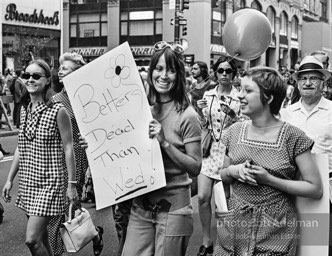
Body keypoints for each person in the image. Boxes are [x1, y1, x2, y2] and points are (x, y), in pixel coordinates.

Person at [216, 66, 322, 255]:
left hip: (275, 229)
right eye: (240, 88)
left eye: (247, 91)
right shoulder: (233, 131)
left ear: (269, 98)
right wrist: (233, 171)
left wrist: (269, 179)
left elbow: (314, 188)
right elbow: (223, 175)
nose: (240, 95)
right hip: (235, 224)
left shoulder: (293, 136)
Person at [121, 41, 202, 256]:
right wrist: (94, 147)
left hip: (174, 210)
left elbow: (195, 167)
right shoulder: (142, 111)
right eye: (159, 68)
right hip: (141, 206)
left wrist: (165, 143)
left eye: (171, 70)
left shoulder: (188, 115)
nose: (164, 75)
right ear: (151, 72)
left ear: (179, 76)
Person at [1, 59, 78, 256]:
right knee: (43, 238)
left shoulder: (58, 110)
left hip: (50, 182)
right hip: (29, 181)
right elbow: (21, 147)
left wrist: (72, 184)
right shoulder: (26, 109)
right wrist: (10, 179)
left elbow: (69, 148)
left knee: (32, 240)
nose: (30, 79)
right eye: (27, 75)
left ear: (47, 81)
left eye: (36, 76)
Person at [50, 52, 104, 256]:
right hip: (57, 159)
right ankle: (91, 236)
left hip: (79, 158)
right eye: (60, 67)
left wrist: (89, 140)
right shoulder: (55, 99)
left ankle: (93, 234)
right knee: (60, 211)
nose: (60, 71)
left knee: (71, 208)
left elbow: (101, 129)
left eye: (66, 68)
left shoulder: (87, 99)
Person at [280, 56, 332, 254]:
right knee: (293, 244)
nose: (308, 83)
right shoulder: (286, 113)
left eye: (313, 78)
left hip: (325, 190)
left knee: (318, 247)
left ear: (323, 83)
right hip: (291, 188)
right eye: (303, 78)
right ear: (297, 83)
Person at [196, 54, 241, 256]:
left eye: (228, 71)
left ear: (234, 74)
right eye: (220, 70)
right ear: (215, 73)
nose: (224, 74)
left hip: (228, 151)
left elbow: (245, 127)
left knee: (223, 200)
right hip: (209, 150)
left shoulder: (240, 97)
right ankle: (206, 241)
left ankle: (224, 243)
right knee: (203, 196)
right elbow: (203, 125)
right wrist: (200, 114)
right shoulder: (208, 95)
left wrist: (233, 116)